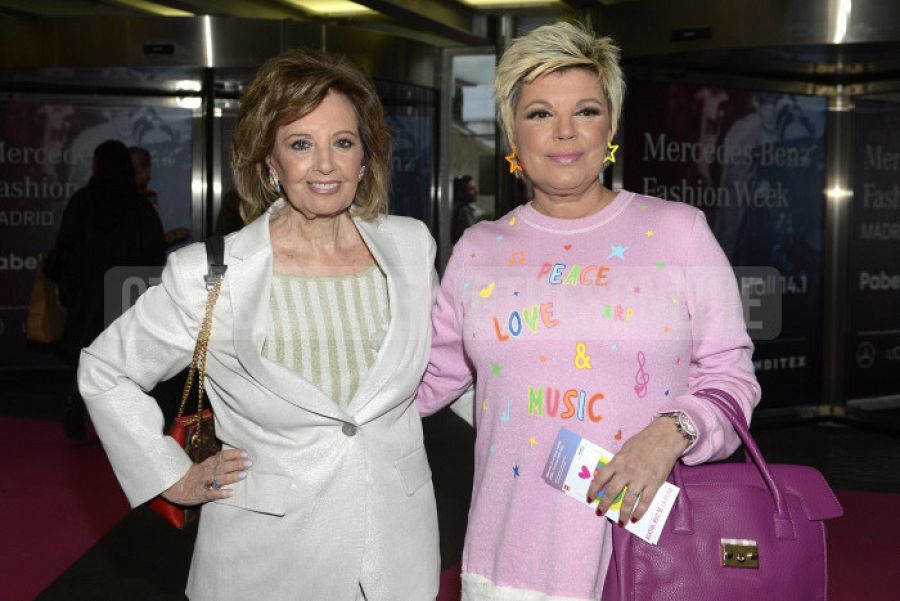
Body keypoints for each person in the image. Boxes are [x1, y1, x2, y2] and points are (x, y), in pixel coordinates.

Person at [416, 21, 761, 600]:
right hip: (509, 564)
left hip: (652, 559)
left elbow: (732, 374)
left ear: (611, 125)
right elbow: (422, 383)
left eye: (586, 110)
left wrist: (674, 430)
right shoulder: (479, 251)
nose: (565, 132)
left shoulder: (678, 233)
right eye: (539, 114)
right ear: (512, 134)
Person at [79, 49, 440, 601]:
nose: (325, 164)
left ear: (365, 158)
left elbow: (457, 366)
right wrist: (172, 475)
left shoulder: (411, 248)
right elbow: (105, 370)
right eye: (301, 144)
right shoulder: (207, 272)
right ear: (270, 164)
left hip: (394, 551)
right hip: (264, 560)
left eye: (342, 142)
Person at [49, 139, 166, 440]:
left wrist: (71, 293)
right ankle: (121, 426)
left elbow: (66, 252)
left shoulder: (82, 203)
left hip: (87, 302)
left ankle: (77, 413)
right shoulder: (140, 208)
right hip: (126, 301)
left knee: (85, 361)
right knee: (124, 366)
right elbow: (154, 257)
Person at [129, 145, 191, 248]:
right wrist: (174, 235)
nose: (150, 174)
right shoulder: (144, 199)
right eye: (149, 167)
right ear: (141, 169)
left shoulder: (111, 197)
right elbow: (149, 241)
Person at [451, 174, 486, 242]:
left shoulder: (464, 208)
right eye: (471, 189)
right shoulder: (463, 211)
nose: (476, 192)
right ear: (460, 193)